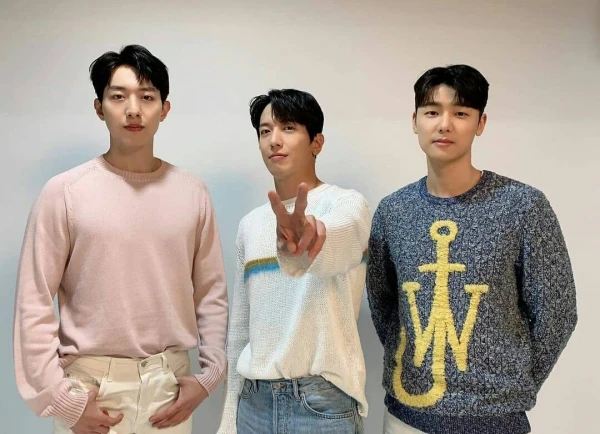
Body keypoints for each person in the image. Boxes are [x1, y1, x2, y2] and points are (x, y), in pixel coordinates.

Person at [13, 44, 228, 434]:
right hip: (90, 388)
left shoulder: (192, 192)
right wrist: (61, 399)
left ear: (164, 108)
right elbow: (34, 300)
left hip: (170, 388)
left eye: (147, 97)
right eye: (118, 96)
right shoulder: (64, 192)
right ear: (99, 107)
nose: (133, 109)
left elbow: (211, 291)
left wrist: (210, 376)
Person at [366, 64, 578, 434]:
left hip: (494, 420)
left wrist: (512, 383)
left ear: (480, 123)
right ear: (415, 121)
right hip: (405, 418)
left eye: (461, 113)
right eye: (432, 112)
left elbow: (557, 311)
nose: (444, 124)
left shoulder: (523, 206)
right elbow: (383, 302)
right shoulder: (393, 211)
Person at [217, 89, 370, 434]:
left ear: (316, 142)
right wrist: (228, 419)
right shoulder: (250, 225)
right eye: (265, 131)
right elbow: (240, 330)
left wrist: (307, 243)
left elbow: (343, 239)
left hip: (321, 406)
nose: (274, 140)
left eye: (288, 128)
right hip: (253, 405)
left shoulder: (346, 205)